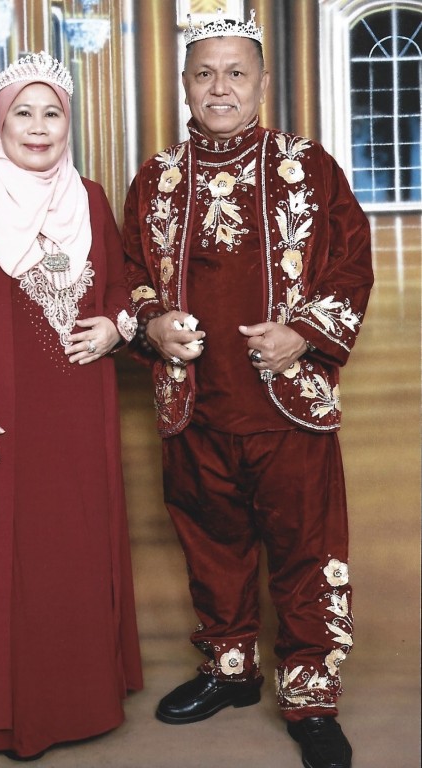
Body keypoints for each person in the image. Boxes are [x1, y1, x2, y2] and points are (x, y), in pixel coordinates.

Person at [123, 11, 372, 768]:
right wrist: (152, 324)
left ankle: (310, 697)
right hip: (193, 404)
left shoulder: (308, 166)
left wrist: (304, 332)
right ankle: (228, 670)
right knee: (211, 547)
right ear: (184, 84)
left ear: (262, 83)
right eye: (204, 73)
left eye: (236, 72)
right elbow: (128, 275)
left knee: (305, 555)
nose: (220, 87)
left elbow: (351, 265)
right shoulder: (155, 178)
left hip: (287, 403)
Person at [0, 51, 142, 762]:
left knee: (74, 547)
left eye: (52, 114)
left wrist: (115, 327)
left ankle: (82, 700)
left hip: (79, 408)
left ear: (68, 124)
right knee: (6, 557)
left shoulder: (90, 197)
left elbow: (122, 285)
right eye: (23, 112)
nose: (38, 128)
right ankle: (8, 714)